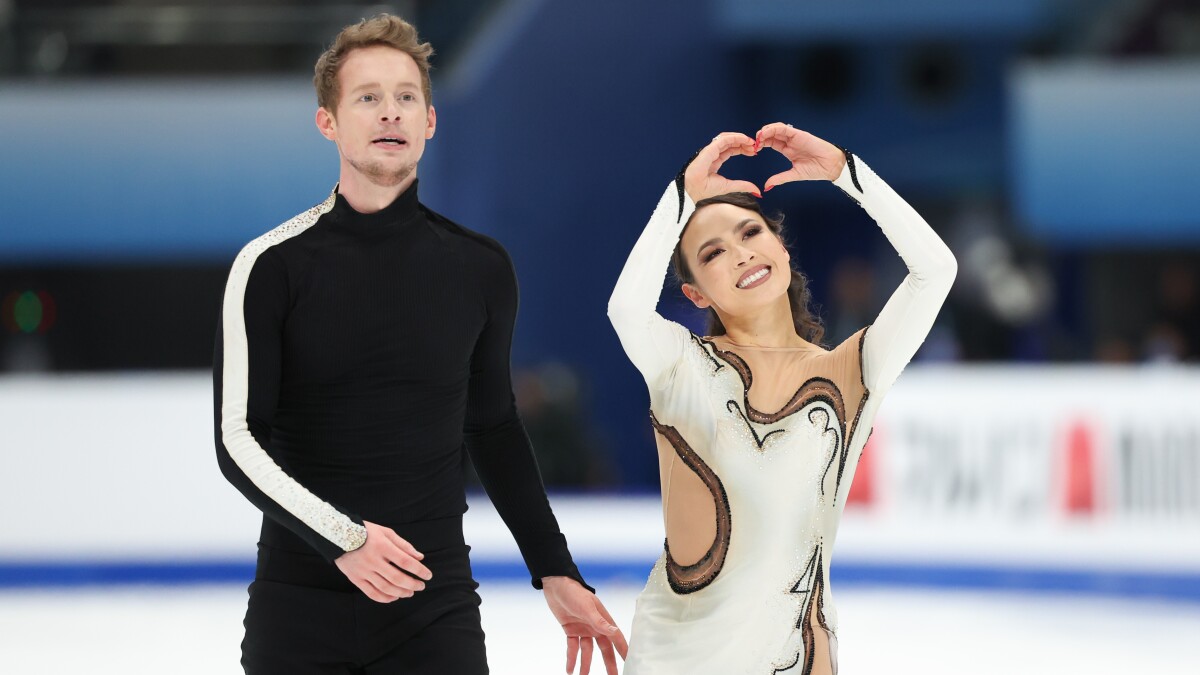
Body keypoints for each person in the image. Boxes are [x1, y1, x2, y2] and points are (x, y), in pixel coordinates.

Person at [213, 14, 626, 675]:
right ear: (328, 121)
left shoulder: (479, 267)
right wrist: (344, 539)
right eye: (367, 97)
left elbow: (493, 427)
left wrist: (554, 568)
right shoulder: (271, 266)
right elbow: (238, 440)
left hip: (434, 613)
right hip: (299, 612)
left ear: (430, 122)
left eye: (407, 96)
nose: (390, 112)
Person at [607, 125, 956, 673]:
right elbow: (626, 311)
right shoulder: (681, 366)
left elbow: (935, 270)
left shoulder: (849, 373)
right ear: (696, 292)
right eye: (715, 252)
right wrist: (681, 194)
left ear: (781, 246)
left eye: (751, 233)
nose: (742, 254)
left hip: (799, 655)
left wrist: (846, 172)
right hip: (679, 657)